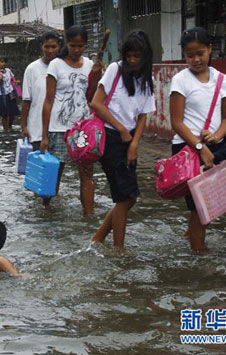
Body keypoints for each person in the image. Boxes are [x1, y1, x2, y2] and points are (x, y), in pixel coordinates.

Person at [169, 27, 226, 254]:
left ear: (210, 50)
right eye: (190, 55)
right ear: (184, 55)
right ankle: (199, 255)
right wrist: (200, 147)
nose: (196, 59)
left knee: (210, 204)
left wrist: (215, 136)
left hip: (217, 146)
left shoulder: (222, 80)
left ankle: (190, 237)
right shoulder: (180, 80)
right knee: (200, 206)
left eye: (200, 53)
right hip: (188, 150)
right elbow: (176, 122)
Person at [90, 30, 156, 252]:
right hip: (110, 138)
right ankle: (119, 249)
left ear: (145, 56)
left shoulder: (147, 79)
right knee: (125, 197)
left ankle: (98, 239)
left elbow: (144, 115)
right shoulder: (114, 70)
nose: (132, 60)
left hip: (129, 140)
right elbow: (96, 103)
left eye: (137, 56)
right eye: (129, 55)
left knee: (128, 197)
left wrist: (135, 144)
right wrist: (121, 130)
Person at [40, 25, 95, 214]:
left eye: (80, 46)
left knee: (87, 174)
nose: (77, 50)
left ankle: (89, 217)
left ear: (85, 45)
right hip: (59, 129)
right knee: (55, 173)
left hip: (83, 130)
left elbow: (93, 96)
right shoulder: (56, 64)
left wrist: (97, 75)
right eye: (73, 46)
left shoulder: (89, 64)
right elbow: (48, 100)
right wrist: (45, 136)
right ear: (67, 44)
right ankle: (46, 210)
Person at [21, 31, 60, 152]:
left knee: (58, 168)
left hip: (58, 129)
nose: (50, 50)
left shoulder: (63, 67)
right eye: (47, 47)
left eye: (53, 46)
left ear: (59, 47)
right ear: (41, 47)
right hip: (36, 130)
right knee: (39, 167)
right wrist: (24, 127)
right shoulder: (32, 69)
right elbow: (26, 101)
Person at [0, 57, 20, 132]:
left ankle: (10, 127)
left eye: (5, 62)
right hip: (2, 95)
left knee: (13, 112)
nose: (3, 63)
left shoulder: (8, 71)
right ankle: (6, 130)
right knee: (4, 114)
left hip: (10, 93)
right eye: (1, 62)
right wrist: (0, 80)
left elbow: (12, 80)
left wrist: (16, 82)